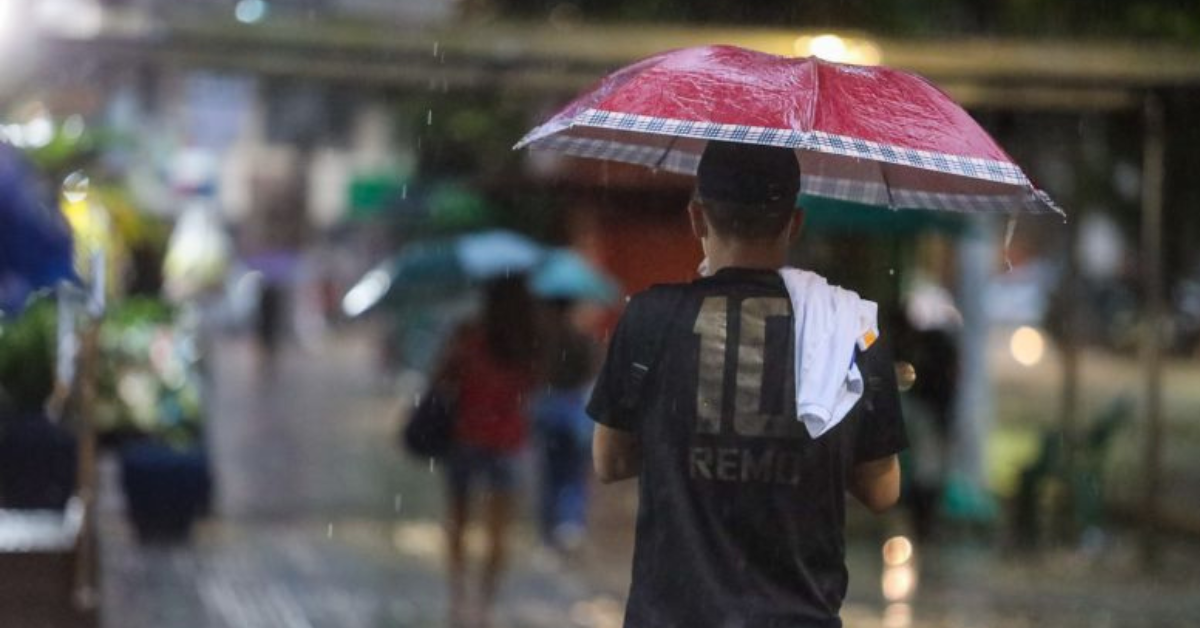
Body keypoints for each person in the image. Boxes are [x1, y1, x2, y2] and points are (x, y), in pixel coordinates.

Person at [587, 141, 908, 628]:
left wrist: (688, 451)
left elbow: (609, 461)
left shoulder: (649, 319)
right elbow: (882, 491)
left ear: (697, 217)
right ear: (794, 223)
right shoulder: (849, 330)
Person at [433, 276, 539, 628]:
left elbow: (442, 378)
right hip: (508, 442)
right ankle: (486, 604)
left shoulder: (469, 336)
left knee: (458, 519)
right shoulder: (526, 344)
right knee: (498, 530)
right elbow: (535, 386)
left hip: (467, 437)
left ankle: (458, 596)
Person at [531, 298, 600, 555]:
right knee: (574, 473)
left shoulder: (543, 342)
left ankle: (549, 532)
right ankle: (570, 523)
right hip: (575, 415)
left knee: (551, 474)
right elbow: (593, 374)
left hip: (549, 412)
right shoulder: (585, 341)